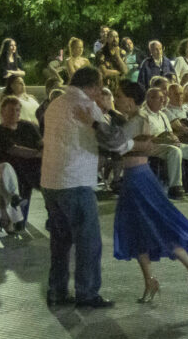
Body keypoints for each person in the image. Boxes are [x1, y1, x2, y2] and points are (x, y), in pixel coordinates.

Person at [41, 66, 138, 307]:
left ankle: (57, 291)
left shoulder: (55, 104)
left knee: (60, 242)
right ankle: (87, 293)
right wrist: (131, 143)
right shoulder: (86, 106)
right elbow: (113, 141)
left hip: (50, 180)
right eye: (100, 85)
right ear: (93, 85)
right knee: (88, 242)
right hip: (75, 181)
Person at [112, 81, 188, 302]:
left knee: (156, 225)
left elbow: (117, 144)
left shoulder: (137, 120)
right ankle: (151, 280)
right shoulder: (132, 120)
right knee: (138, 230)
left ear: (130, 99)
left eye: (119, 95)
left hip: (138, 179)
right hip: (135, 178)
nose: (117, 99)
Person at [0, 96, 43, 222]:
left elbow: (42, 143)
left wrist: (44, 152)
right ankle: (15, 217)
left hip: (34, 165)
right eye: (12, 110)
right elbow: (15, 150)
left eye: (18, 110)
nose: (16, 113)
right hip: (13, 170)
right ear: (2, 112)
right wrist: (38, 154)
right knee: (20, 165)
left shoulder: (28, 126)